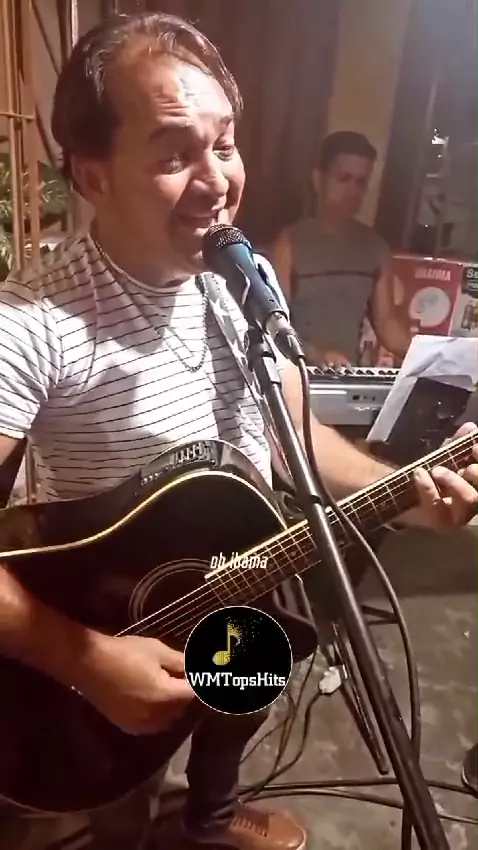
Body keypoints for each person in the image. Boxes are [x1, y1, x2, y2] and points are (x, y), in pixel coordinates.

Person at [0, 12, 477, 850]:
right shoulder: (30, 325)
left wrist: (408, 496)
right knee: (125, 795)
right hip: (104, 633)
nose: (217, 179)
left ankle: (210, 819)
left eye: (225, 144)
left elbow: (294, 433)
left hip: (235, 580)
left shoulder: (239, 281)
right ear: (93, 174)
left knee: (249, 688)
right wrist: (88, 662)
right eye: (174, 155)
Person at [269, 131, 412, 367]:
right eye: (344, 179)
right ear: (319, 180)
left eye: (361, 182)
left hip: (348, 374)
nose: (353, 191)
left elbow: (386, 322)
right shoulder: (289, 243)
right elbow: (274, 324)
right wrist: (316, 355)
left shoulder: (375, 247)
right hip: (299, 371)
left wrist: (430, 354)